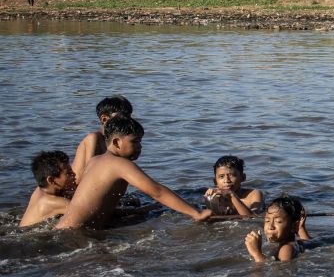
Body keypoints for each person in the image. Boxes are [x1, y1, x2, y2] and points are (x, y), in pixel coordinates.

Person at [55, 115, 212, 230]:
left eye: (140, 142)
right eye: (134, 141)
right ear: (116, 142)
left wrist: (137, 211)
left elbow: (92, 204)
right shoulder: (119, 164)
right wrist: (195, 212)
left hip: (65, 229)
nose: (139, 147)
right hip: (75, 234)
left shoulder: (95, 160)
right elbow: (157, 191)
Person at [72, 95, 134, 180]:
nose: (127, 121)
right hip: (79, 187)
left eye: (129, 117)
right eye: (122, 117)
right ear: (104, 119)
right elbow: (89, 172)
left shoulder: (117, 141)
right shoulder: (93, 138)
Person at [19, 151, 77, 227]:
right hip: (28, 236)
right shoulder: (54, 202)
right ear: (51, 180)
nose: (74, 174)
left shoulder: (39, 191)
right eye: (69, 173)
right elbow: (84, 211)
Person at [244, 195, 307, 263]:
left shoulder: (286, 249)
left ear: (293, 226)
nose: (270, 227)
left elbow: (283, 270)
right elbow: (306, 241)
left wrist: (257, 254)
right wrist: (300, 228)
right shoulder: (295, 243)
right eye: (267, 221)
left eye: (278, 222)